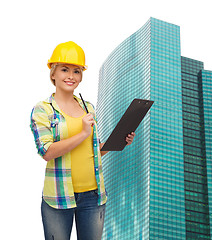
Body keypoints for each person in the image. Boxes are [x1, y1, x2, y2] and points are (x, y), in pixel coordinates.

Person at [30, 41, 135, 240]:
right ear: (53, 73)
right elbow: (47, 152)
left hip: (94, 196)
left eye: (77, 71)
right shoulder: (43, 109)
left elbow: (93, 151)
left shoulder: (88, 107)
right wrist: (82, 134)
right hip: (59, 198)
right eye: (64, 69)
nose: (71, 76)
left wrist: (119, 142)